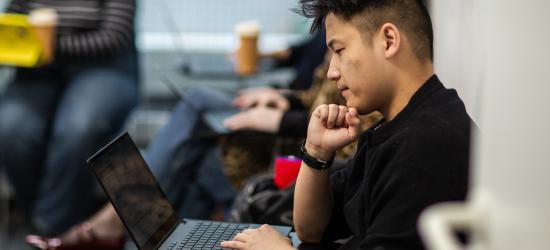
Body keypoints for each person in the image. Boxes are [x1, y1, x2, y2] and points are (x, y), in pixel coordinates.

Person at [221, 0, 473, 249]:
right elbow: (310, 230)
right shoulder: (393, 128)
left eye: (339, 50)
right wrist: (316, 153)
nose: (332, 71)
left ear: (388, 40)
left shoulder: (427, 147)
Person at [0, 0, 138, 237]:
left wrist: (48, 47)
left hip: (104, 65)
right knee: (11, 128)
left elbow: (113, 37)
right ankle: (43, 213)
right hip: (39, 70)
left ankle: (52, 228)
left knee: (78, 129)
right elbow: (14, 21)